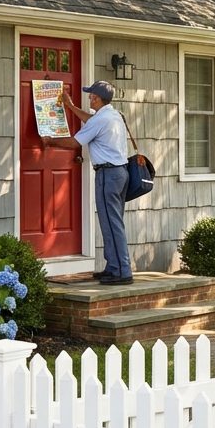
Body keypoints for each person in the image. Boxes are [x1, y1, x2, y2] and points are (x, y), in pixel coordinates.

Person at [42, 80, 133, 285]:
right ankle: (113, 267)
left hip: (108, 175)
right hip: (119, 173)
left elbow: (75, 142)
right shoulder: (112, 114)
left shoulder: (101, 120)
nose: (89, 97)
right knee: (112, 222)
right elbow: (90, 120)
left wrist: (50, 141)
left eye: (92, 95)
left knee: (111, 223)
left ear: (98, 98)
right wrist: (71, 106)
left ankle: (122, 271)